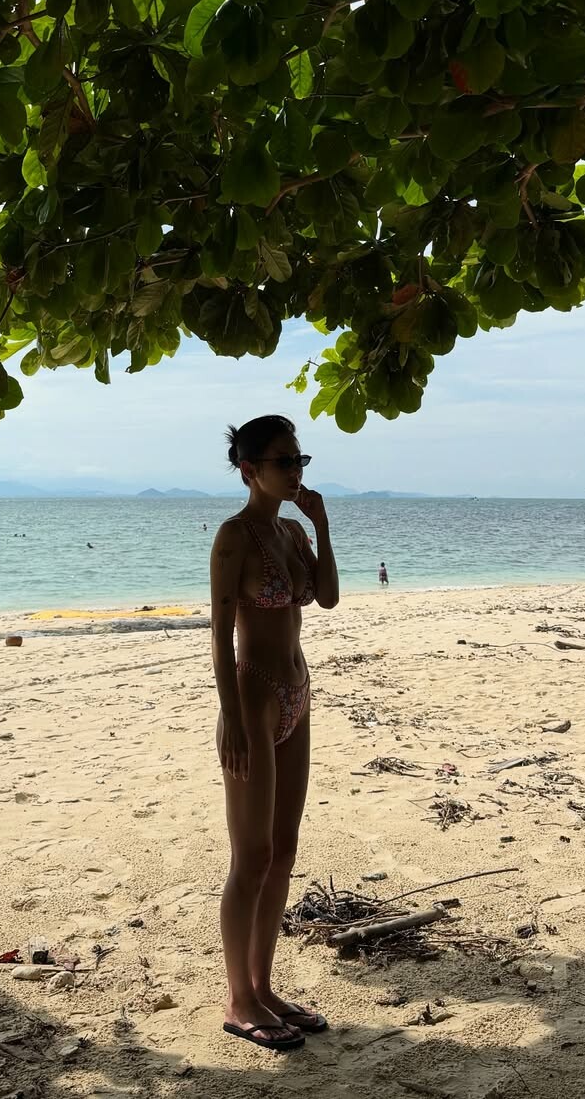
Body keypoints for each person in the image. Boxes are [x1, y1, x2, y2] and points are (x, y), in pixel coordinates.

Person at [210, 414, 339, 1051]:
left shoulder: (291, 531)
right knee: (252, 856)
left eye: (300, 460)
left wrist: (321, 525)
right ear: (249, 470)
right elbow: (219, 634)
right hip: (253, 700)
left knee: (284, 850)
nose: (295, 471)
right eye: (284, 461)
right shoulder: (234, 536)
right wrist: (232, 716)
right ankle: (240, 1000)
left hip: (298, 693)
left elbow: (328, 597)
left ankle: (264, 986)